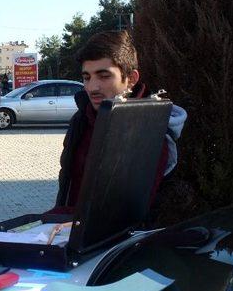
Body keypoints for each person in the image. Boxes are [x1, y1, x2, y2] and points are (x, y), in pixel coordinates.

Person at [51, 30, 187, 214]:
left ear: (131, 79)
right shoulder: (81, 118)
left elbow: (128, 210)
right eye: (86, 77)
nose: (92, 87)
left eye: (104, 76)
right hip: (63, 234)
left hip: (118, 240)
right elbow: (70, 182)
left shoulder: (150, 128)